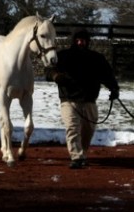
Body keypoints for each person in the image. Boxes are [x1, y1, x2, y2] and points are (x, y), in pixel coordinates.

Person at [46, 29, 119, 169]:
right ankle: (77, 157)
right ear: (73, 41)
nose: (80, 42)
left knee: (88, 130)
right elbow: (48, 70)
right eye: (78, 40)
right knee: (72, 128)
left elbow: (107, 75)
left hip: (89, 100)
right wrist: (55, 76)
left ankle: (82, 153)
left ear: (87, 41)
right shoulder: (63, 56)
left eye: (83, 40)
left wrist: (114, 89)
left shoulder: (97, 58)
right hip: (69, 100)